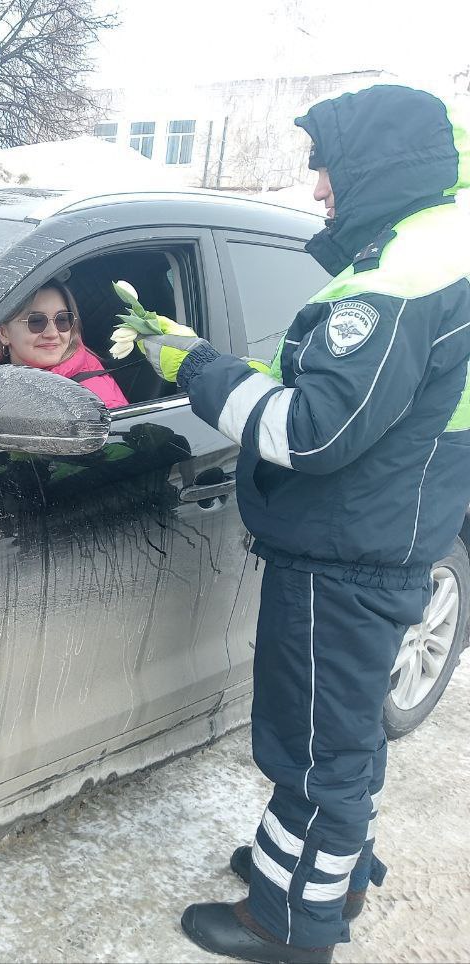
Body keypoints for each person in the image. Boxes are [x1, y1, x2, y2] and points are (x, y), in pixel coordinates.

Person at [131, 84, 470, 963]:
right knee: (340, 739)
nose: (317, 189)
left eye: (326, 168)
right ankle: (324, 872)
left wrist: (196, 367)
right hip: (377, 539)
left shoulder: (402, 279)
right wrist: (204, 359)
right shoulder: (435, 250)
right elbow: (331, 391)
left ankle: (291, 924)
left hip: (345, 558)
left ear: (375, 166)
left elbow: (312, 431)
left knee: (316, 755)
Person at [0, 281, 129, 409]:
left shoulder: (95, 403)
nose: (52, 333)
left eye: (62, 320)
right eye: (36, 321)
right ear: (3, 333)